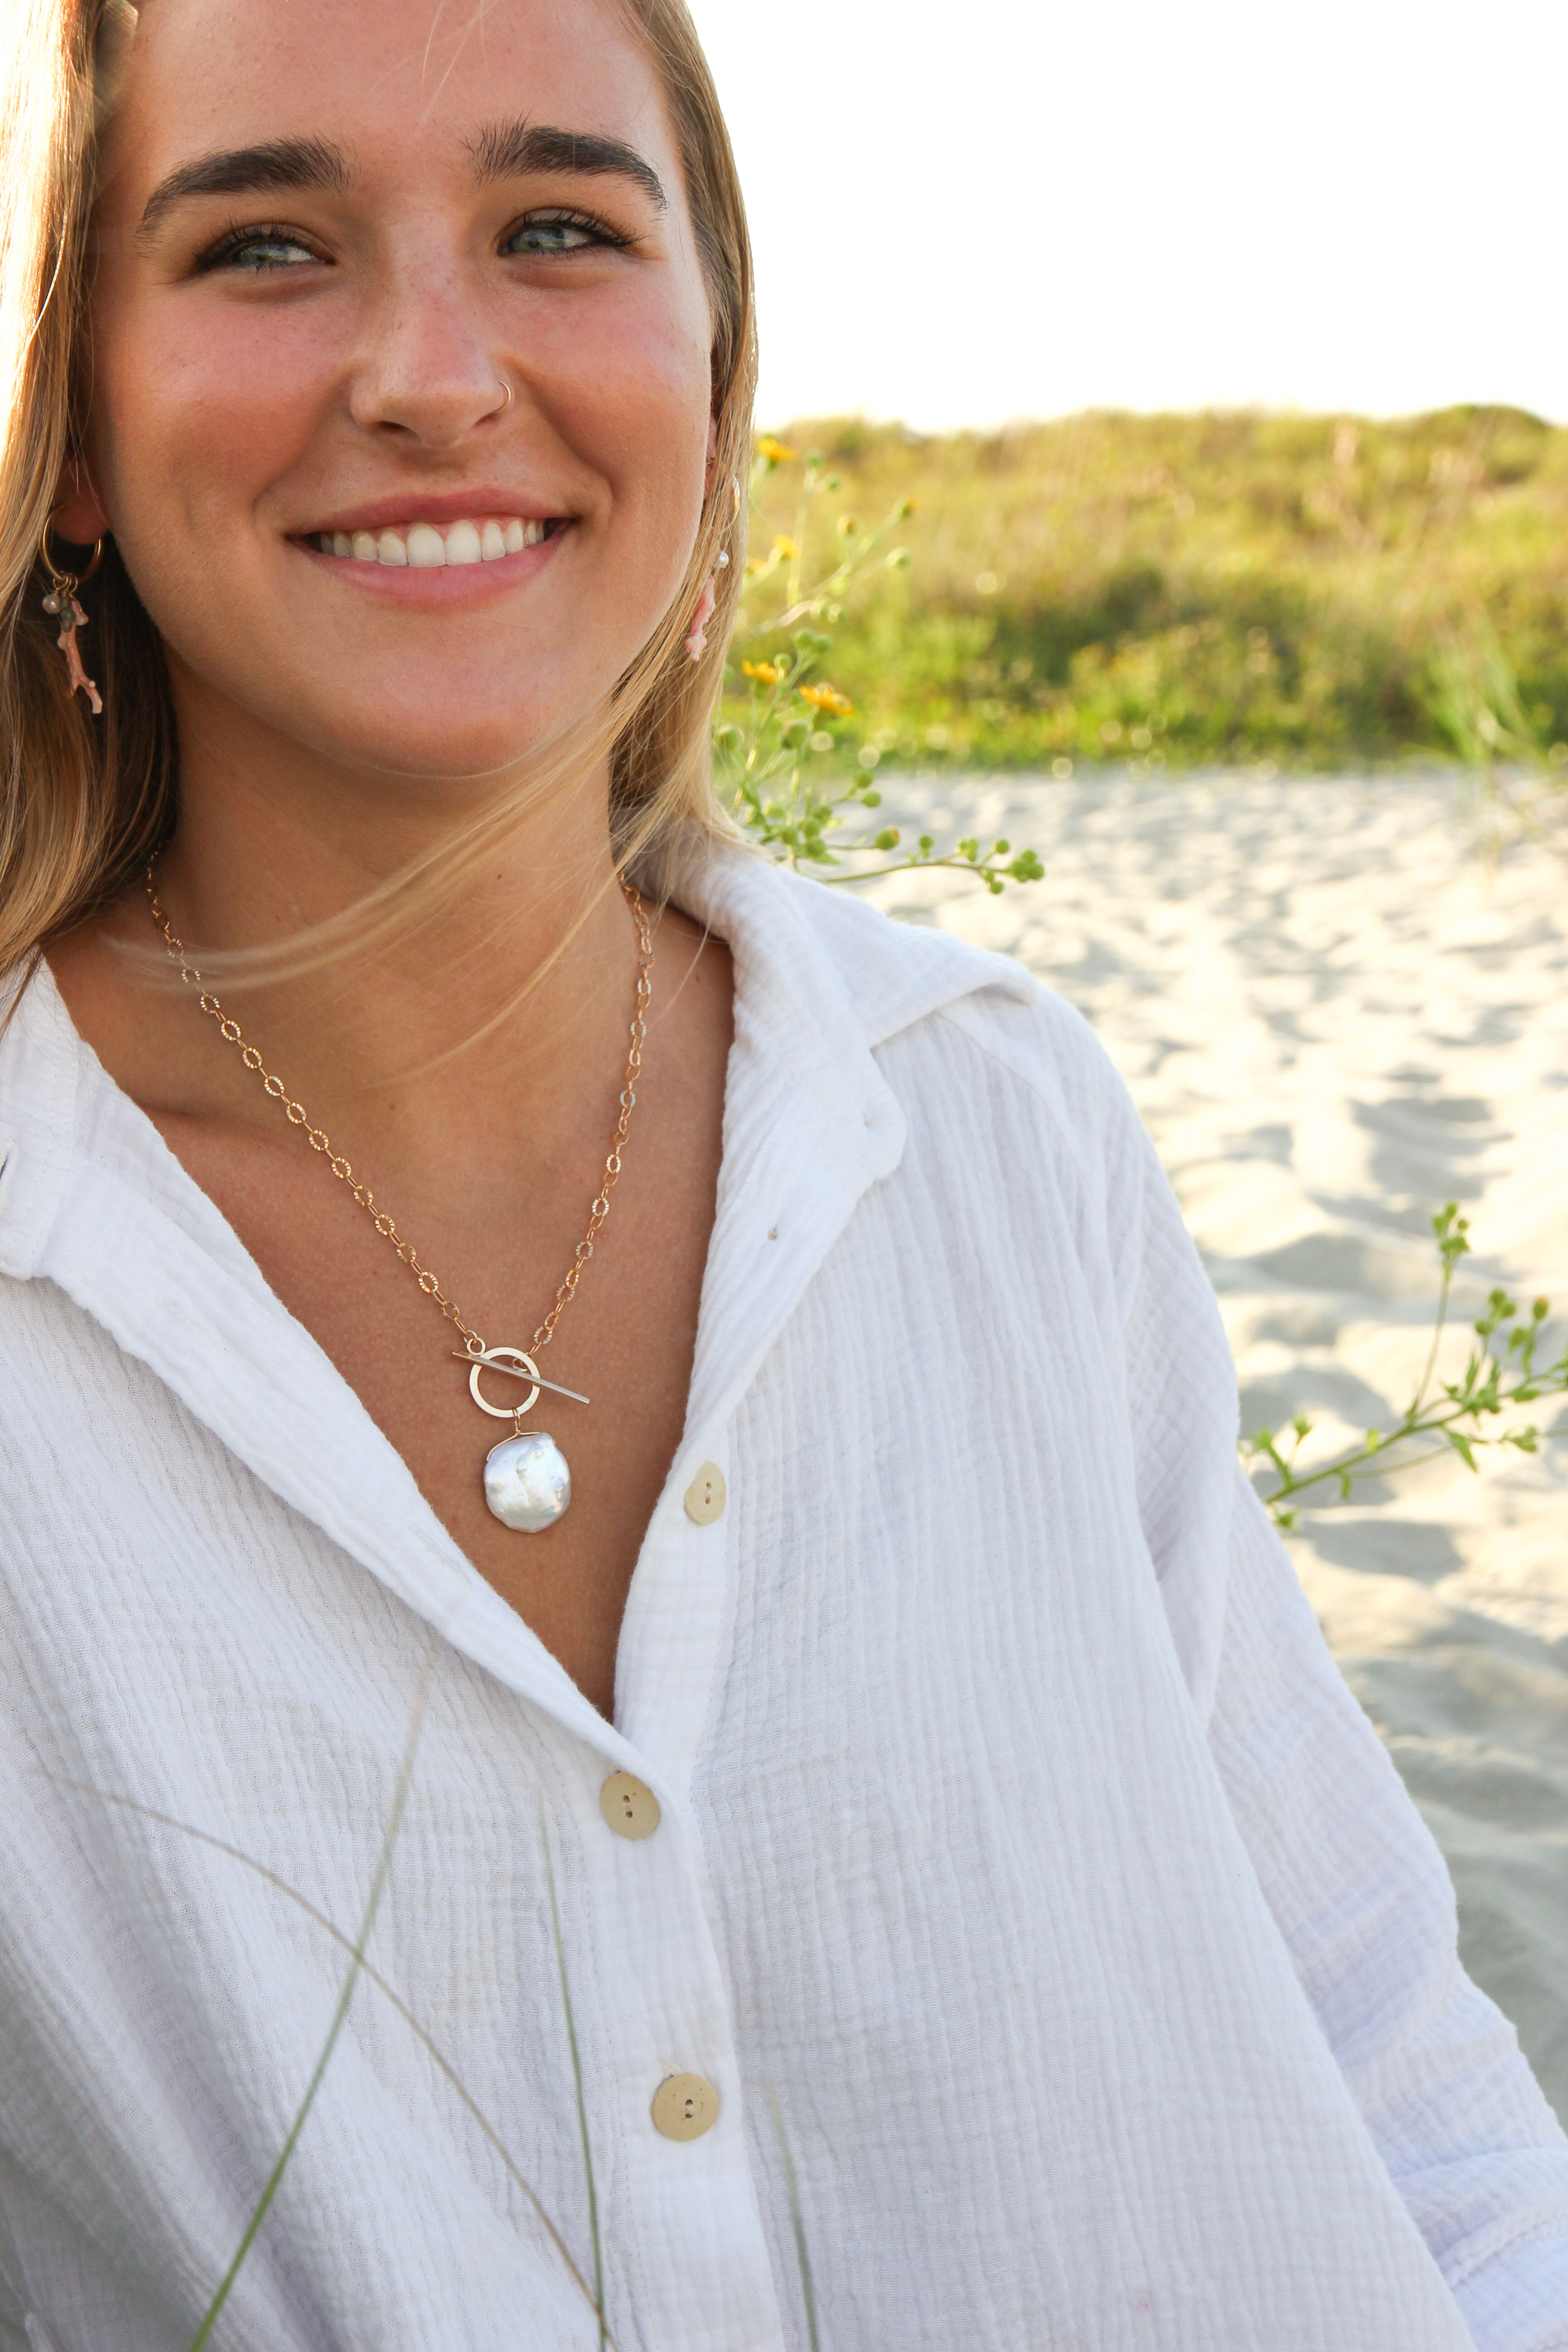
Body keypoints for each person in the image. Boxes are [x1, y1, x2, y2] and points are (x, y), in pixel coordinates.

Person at [0, 2, 1565, 2346]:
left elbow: (1388, 2061)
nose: (433, 370)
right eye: (264, 246)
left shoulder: (996, 1117)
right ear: (79, 415)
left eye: (557, 227)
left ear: (715, 372)